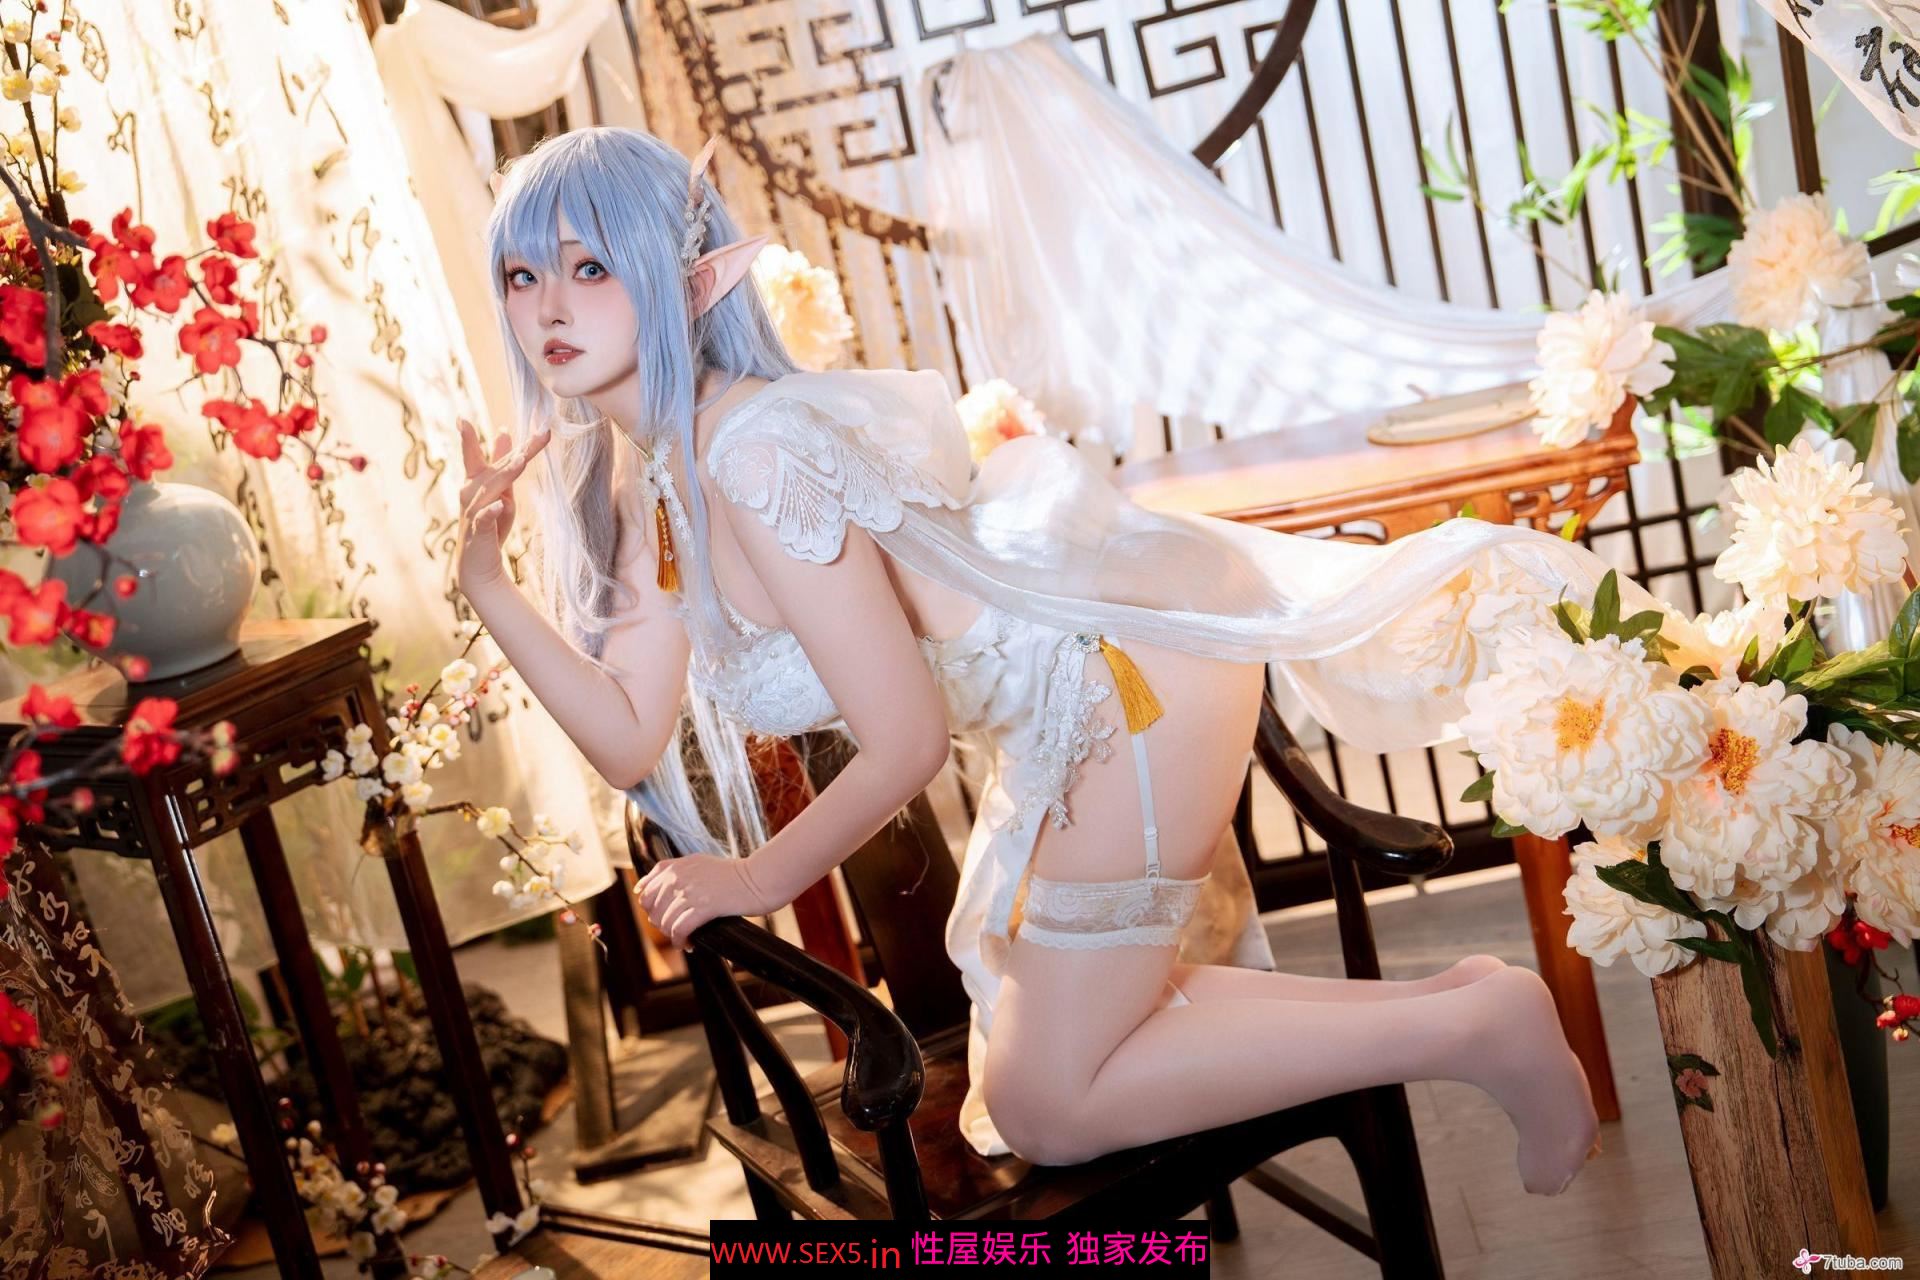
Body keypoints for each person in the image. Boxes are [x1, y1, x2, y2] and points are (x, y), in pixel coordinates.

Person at [453, 126, 1609, 1194]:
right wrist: (488, 581)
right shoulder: (651, 473)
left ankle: (1475, 1027)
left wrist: (755, 879)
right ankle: (1463, 1008)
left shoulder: (752, 453)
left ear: (692, 280)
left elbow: (905, 738)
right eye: (522, 273)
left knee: (1047, 1102)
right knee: (1052, 1072)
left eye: (590, 267)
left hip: (1127, 685)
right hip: (1064, 707)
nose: (549, 304)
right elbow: (628, 736)